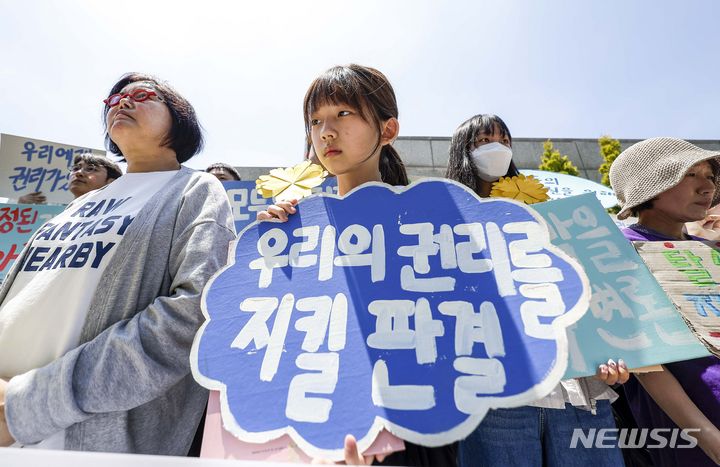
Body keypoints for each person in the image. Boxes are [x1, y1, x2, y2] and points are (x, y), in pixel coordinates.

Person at [0, 72, 236, 455]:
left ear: (180, 117)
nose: (121, 103)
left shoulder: (196, 190)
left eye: (142, 95)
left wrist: (25, 405)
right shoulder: (79, 205)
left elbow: (194, 312)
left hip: (72, 442)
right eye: (112, 101)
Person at [258, 64, 455, 466]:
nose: (325, 132)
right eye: (315, 121)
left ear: (387, 130)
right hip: (320, 417)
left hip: (414, 422)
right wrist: (274, 252)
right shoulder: (297, 226)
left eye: (343, 114)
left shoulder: (426, 224)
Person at [445, 113, 628, 467]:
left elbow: (593, 286)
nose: (496, 148)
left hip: (577, 388)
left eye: (504, 141)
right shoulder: (440, 222)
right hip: (496, 390)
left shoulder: (552, 216)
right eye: (483, 141)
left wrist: (614, 351)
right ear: (461, 151)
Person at [610, 137, 720, 466]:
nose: (707, 187)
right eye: (690, 175)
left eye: (710, 177)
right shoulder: (617, 249)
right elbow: (643, 358)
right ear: (649, 189)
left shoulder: (711, 250)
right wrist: (710, 440)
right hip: (693, 432)